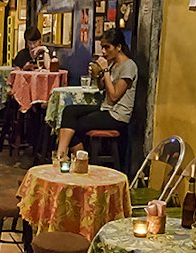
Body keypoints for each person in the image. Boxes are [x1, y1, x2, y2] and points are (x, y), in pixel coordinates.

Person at [54, 27, 136, 162]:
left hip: (117, 115)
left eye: (107, 47)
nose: (103, 51)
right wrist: (97, 75)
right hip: (105, 108)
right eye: (102, 47)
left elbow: (114, 96)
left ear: (118, 47)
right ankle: (61, 155)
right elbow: (102, 88)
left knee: (75, 126)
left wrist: (105, 70)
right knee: (69, 111)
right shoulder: (113, 64)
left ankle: (80, 161)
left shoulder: (129, 66)